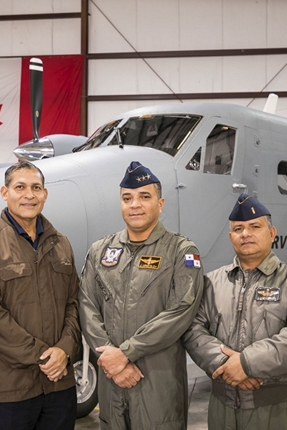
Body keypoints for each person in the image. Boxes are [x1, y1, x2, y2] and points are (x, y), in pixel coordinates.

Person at [78, 161, 204, 430]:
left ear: (160, 203)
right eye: (127, 198)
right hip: (111, 381)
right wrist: (112, 361)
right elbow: (87, 305)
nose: (135, 204)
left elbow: (181, 311)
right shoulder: (101, 250)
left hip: (157, 382)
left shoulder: (181, 251)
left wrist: (125, 353)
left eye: (144, 197)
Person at [183, 193, 287, 430]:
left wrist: (247, 363)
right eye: (238, 229)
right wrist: (226, 364)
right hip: (222, 410)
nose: (245, 234)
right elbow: (192, 329)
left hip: (275, 411)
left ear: (272, 233)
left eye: (255, 227)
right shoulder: (212, 283)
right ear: (231, 237)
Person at [0, 161, 80, 430]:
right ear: (5, 193)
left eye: (36, 188)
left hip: (59, 385)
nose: (29, 195)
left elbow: (73, 303)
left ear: (45, 194)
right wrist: (45, 356)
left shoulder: (61, 243)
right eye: (20, 187)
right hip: (7, 391)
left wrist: (65, 349)